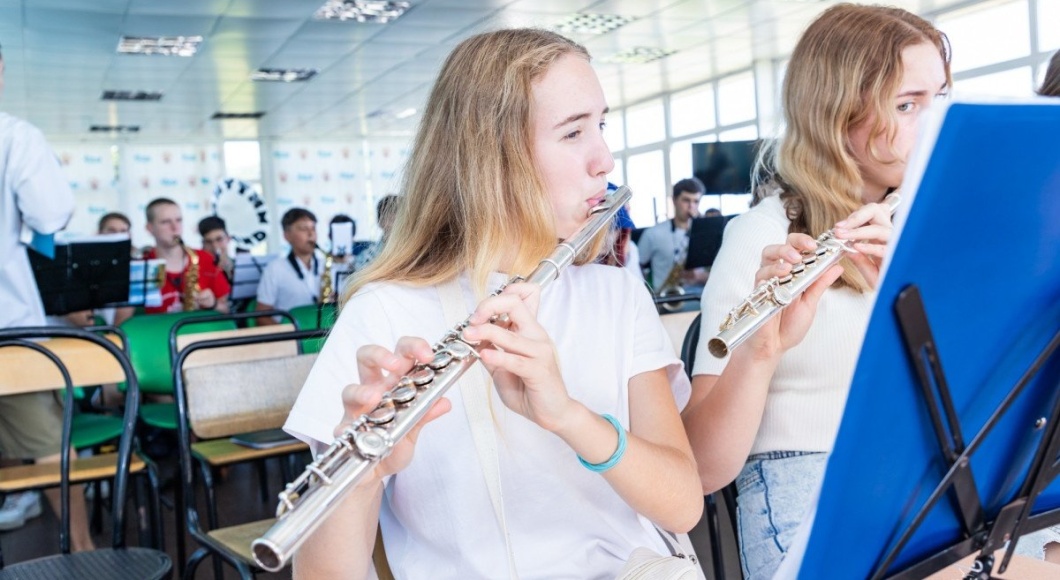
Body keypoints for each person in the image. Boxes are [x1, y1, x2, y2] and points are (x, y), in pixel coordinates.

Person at [284, 28, 702, 579]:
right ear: (494, 157)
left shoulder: (617, 294)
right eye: (573, 132)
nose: (604, 158)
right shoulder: (382, 312)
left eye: (600, 125)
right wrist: (362, 478)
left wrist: (569, 416)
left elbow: (683, 506)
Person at [681, 4, 951, 579]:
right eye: (908, 105)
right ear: (836, 114)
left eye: (941, 99)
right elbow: (703, 467)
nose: (933, 124)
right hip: (812, 485)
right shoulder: (762, 235)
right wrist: (760, 348)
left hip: (933, 479)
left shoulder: (932, 222)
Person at [0, 42, 94, 549]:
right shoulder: (14, 136)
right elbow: (49, 214)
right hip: (8, 329)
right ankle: (82, 554)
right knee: (47, 445)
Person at [143, 198, 230, 314]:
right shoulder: (141, 266)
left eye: (179, 220)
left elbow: (226, 310)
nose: (175, 228)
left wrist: (213, 304)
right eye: (165, 222)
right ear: (149, 228)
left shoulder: (205, 258)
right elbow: (123, 320)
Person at [636, 177, 708, 293]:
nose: (691, 206)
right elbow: (637, 266)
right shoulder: (653, 233)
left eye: (696, 201)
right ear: (674, 200)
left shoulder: (706, 233)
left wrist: (701, 276)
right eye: (686, 200)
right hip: (665, 296)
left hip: (699, 295)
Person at [255, 208, 322, 325]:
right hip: (292, 334)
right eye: (303, 229)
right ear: (287, 236)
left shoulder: (327, 265)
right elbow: (262, 316)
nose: (311, 234)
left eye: (313, 228)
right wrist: (290, 334)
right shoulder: (274, 269)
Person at [353, 194, 399, 270]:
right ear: (380, 221)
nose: (395, 221)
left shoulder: (416, 254)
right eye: (390, 216)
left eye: (399, 215)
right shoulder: (366, 257)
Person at [197, 215, 235, 282]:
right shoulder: (197, 271)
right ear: (203, 244)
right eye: (208, 242)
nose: (215, 246)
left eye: (219, 239)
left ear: (228, 239)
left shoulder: (241, 266)